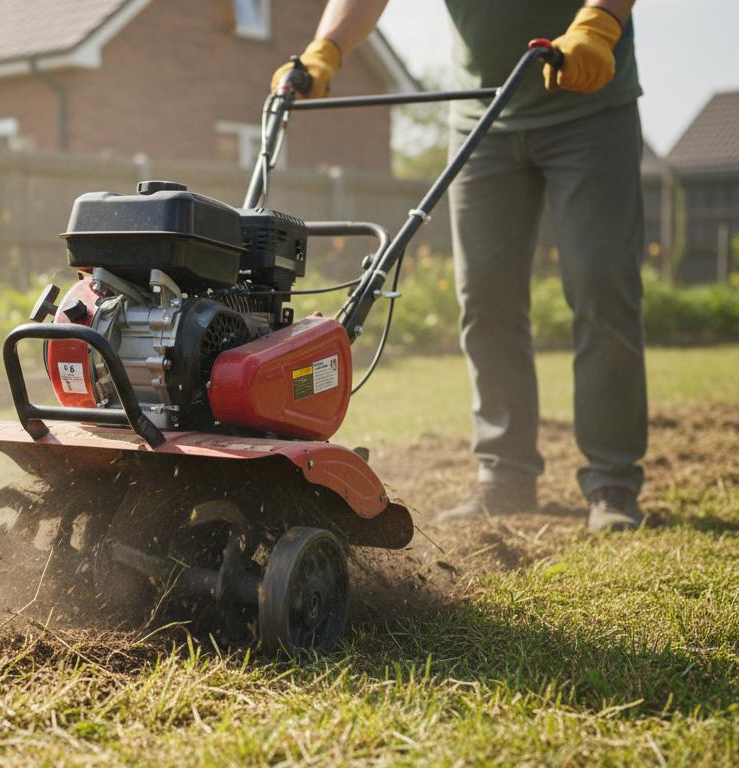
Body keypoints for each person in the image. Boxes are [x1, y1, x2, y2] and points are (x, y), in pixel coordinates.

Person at [273, 1, 646, 532]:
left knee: (601, 287)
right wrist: (325, 50)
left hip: (589, 106)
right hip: (484, 112)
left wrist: (601, 22)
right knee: (485, 299)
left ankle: (612, 481)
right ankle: (505, 474)